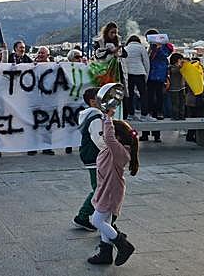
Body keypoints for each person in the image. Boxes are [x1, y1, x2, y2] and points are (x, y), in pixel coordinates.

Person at [87, 109, 139, 266]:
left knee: (96, 221)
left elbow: (109, 137)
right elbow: (108, 135)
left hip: (111, 191)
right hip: (107, 189)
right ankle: (105, 254)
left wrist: (107, 117)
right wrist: (106, 119)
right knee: (106, 221)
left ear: (118, 138)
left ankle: (124, 245)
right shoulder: (112, 149)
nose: (103, 135)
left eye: (107, 133)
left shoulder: (119, 151)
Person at [73, 87, 105, 232]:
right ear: (93, 102)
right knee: (100, 189)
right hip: (95, 157)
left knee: (100, 188)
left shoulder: (95, 116)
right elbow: (99, 140)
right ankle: (83, 216)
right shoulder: (95, 118)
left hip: (93, 156)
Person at [140, 29, 173, 143]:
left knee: (158, 99)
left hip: (158, 76)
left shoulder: (164, 46)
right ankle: (145, 134)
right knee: (148, 102)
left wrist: (158, 48)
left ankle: (157, 134)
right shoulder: (150, 47)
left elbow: (165, 55)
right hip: (149, 76)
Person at [93, 22, 128, 117]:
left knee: (117, 91)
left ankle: (118, 113)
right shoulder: (100, 42)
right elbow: (97, 55)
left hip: (117, 70)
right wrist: (109, 51)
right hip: (104, 70)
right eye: (111, 32)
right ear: (107, 32)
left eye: (115, 33)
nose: (113, 35)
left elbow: (125, 54)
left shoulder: (118, 41)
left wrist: (119, 50)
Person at [28, 46, 56, 155]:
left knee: (47, 125)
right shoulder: (31, 66)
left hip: (47, 100)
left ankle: (47, 147)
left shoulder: (54, 67)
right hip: (34, 99)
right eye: (39, 53)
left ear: (48, 55)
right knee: (32, 124)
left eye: (42, 53)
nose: (40, 55)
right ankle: (32, 147)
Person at [124, 35, 154, 122]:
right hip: (140, 73)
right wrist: (146, 75)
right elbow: (146, 62)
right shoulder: (141, 48)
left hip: (129, 74)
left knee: (129, 95)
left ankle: (130, 114)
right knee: (143, 94)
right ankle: (144, 115)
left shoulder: (126, 48)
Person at [168, 53, 186, 120]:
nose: (182, 60)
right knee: (175, 103)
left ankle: (181, 115)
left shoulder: (180, 67)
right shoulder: (171, 67)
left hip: (181, 87)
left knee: (182, 103)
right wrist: (180, 66)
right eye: (180, 59)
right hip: (174, 88)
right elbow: (175, 71)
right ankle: (175, 116)